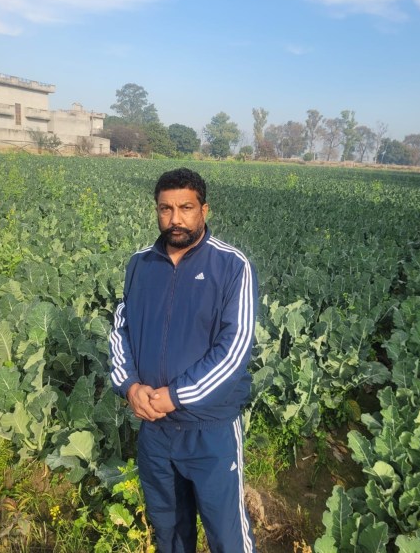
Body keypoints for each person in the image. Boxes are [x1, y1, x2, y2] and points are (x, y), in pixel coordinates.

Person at [109, 167, 258, 553]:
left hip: (210, 429)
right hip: (155, 432)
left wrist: (177, 395)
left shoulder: (231, 266)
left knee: (227, 536)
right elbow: (120, 330)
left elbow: (235, 348)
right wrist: (130, 387)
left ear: (204, 210)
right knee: (170, 534)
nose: (175, 219)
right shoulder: (140, 264)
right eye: (165, 208)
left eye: (186, 207)